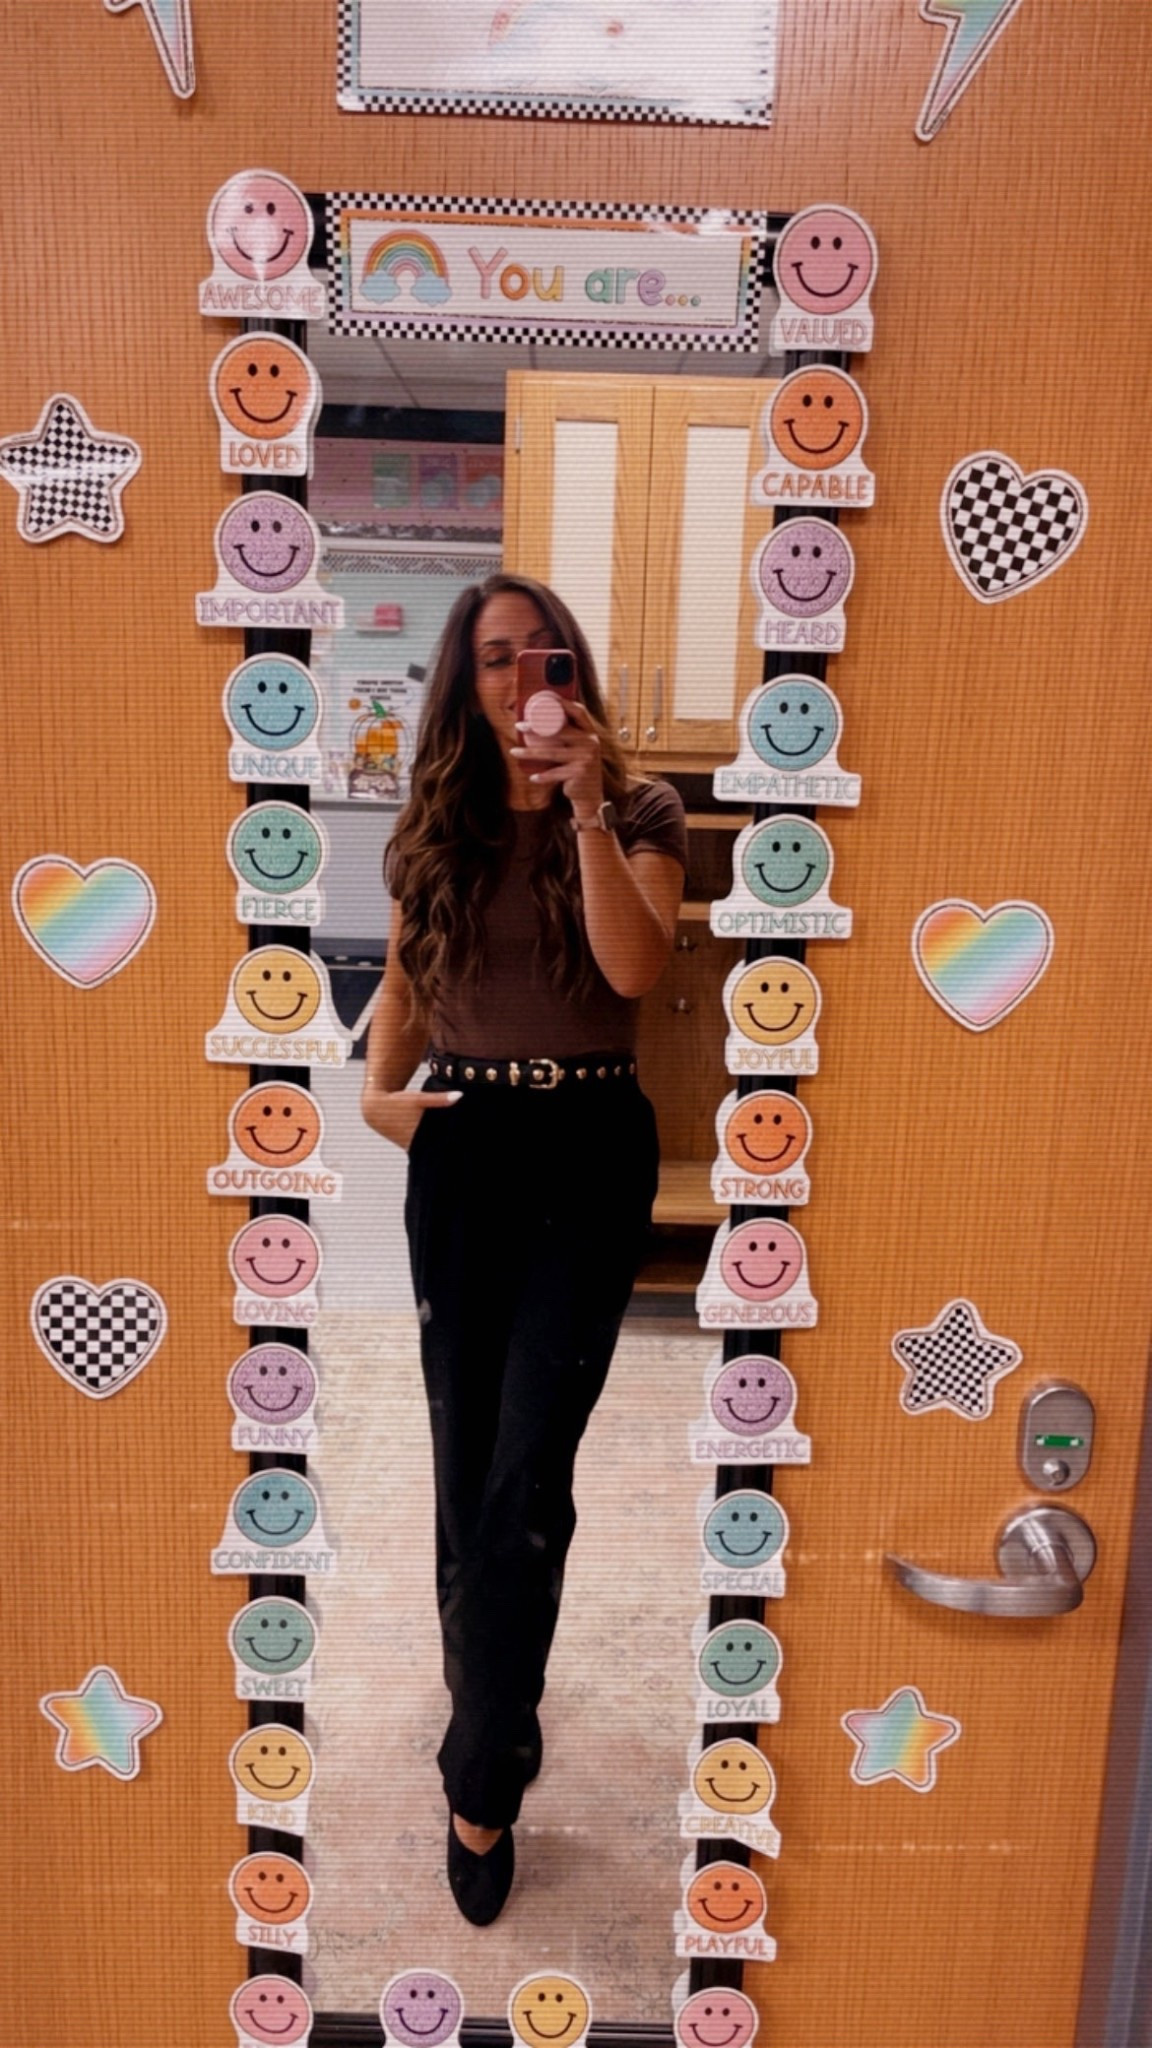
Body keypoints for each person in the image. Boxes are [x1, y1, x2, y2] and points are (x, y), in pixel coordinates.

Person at [360, 572, 686, 1924]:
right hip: (467, 1149)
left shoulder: (642, 809)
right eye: (494, 658)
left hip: (590, 1150)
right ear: (464, 678)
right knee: (463, 1464)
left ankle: (482, 1773)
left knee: (526, 1475)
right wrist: (377, 1098)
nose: (520, 683)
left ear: (574, 672)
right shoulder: (436, 819)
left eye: (543, 656)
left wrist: (589, 807)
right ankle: (490, 1701)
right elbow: (405, 977)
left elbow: (633, 972)